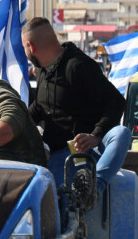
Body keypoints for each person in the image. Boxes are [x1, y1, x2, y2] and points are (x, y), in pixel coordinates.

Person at [21, 16, 131, 194]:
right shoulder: (42, 71)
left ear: (31, 47)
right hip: (62, 154)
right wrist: (13, 122)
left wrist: (96, 135)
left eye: (24, 48)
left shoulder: (79, 66)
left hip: (92, 148)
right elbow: (39, 108)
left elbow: (116, 101)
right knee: (55, 197)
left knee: (121, 133)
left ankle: (94, 187)